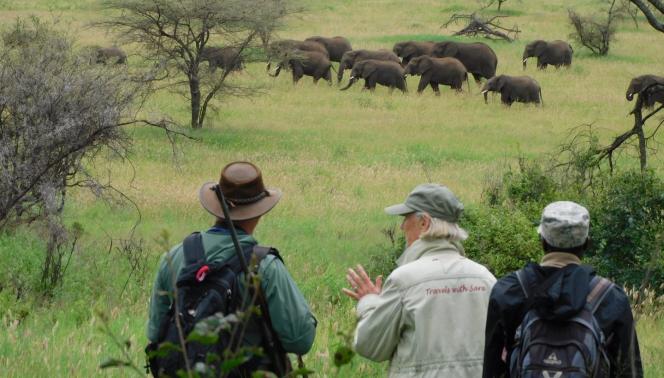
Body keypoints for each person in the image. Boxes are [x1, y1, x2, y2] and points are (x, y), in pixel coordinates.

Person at [147, 161, 317, 374]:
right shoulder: (266, 267)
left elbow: (155, 333)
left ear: (216, 206)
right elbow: (300, 341)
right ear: (259, 212)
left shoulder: (172, 258)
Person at [343, 183, 497, 377]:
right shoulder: (486, 279)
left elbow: (370, 346)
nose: (401, 226)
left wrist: (370, 303)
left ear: (424, 222)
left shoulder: (404, 281)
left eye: (406, 218)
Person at [482, 201, 643, 378]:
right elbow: (629, 372)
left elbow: (492, 369)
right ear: (587, 244)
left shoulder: (509, 291)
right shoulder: (610, 298)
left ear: (542, 241)